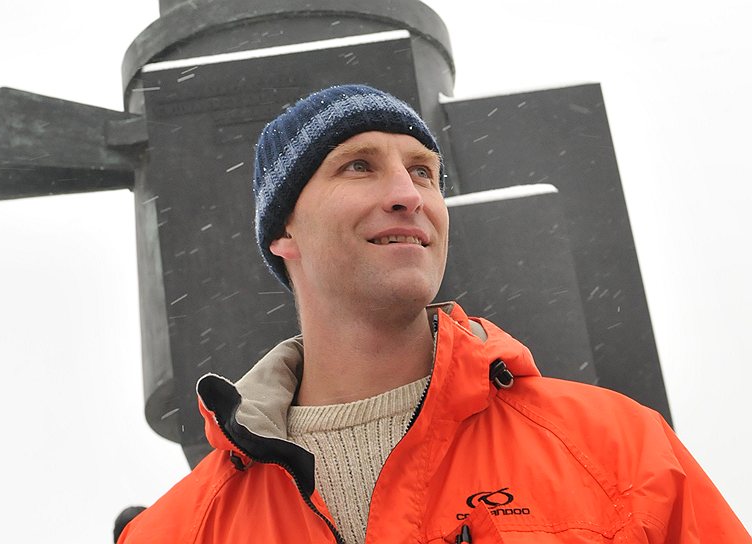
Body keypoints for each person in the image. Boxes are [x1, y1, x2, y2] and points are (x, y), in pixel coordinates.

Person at [118, 85, 748, 543]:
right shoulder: (175, 532)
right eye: (359, 166)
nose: (407, 195)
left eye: (423, 173)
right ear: (283, 229)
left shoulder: (622, 452)